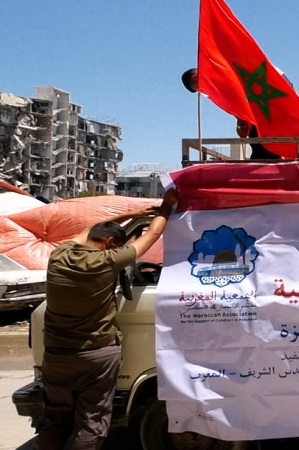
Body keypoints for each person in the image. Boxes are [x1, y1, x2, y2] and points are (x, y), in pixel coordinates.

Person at [35, 189, 179, 449]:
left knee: (53, 419)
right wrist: (167, 207)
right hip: (97, 353)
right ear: (111, 243)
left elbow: (90, 229)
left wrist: (133, 214)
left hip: (56, 354)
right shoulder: (108, 261)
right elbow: (152, 235)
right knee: (92, 419)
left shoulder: (59, 255)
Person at [181, 67, 281, 160]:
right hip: (261, 145)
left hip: (274, 136)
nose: (203, 89)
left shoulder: (229, 78)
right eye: (199, 89)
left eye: (199, 85)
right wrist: (240, 118)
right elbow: (243, 133)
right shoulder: (227, 95)